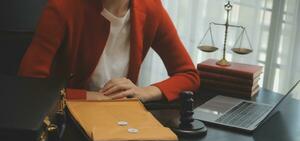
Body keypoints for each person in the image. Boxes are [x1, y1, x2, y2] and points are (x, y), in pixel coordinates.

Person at [19, 0, 200, 102]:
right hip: (67, 122)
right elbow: (28, 86)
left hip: (120, 121)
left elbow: (188, 75)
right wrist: (89, 97)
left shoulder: (151, 8)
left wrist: (144, 92)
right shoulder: (62, 8)